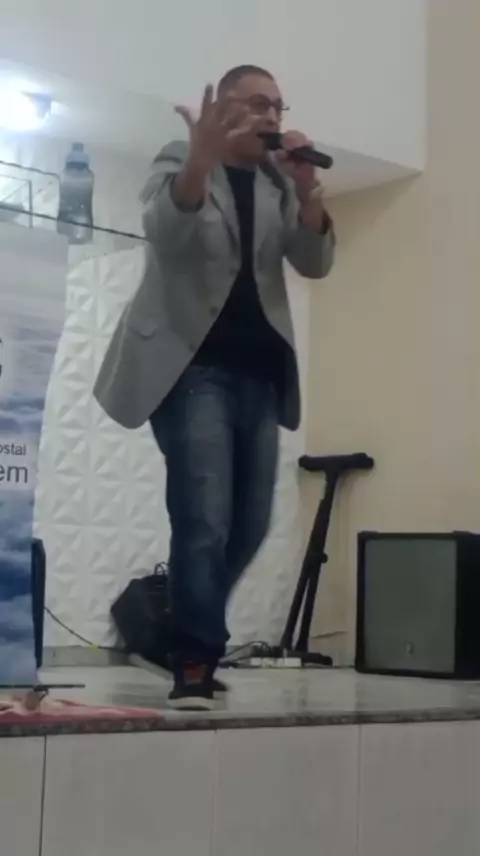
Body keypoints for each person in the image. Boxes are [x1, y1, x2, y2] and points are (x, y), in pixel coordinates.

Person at [94, 65, 335, 710]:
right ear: (223, 107)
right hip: (190, 368)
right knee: (203, 515)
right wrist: (199, 162)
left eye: (278, 107)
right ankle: (195, 660)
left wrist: (307, 190)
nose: (271, 117)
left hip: (260, 373)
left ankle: (174, 632)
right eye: (257, 104)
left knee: (249, 525)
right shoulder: (180, 157)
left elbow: (314, 261)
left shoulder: (278, 182)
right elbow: (169, 234)